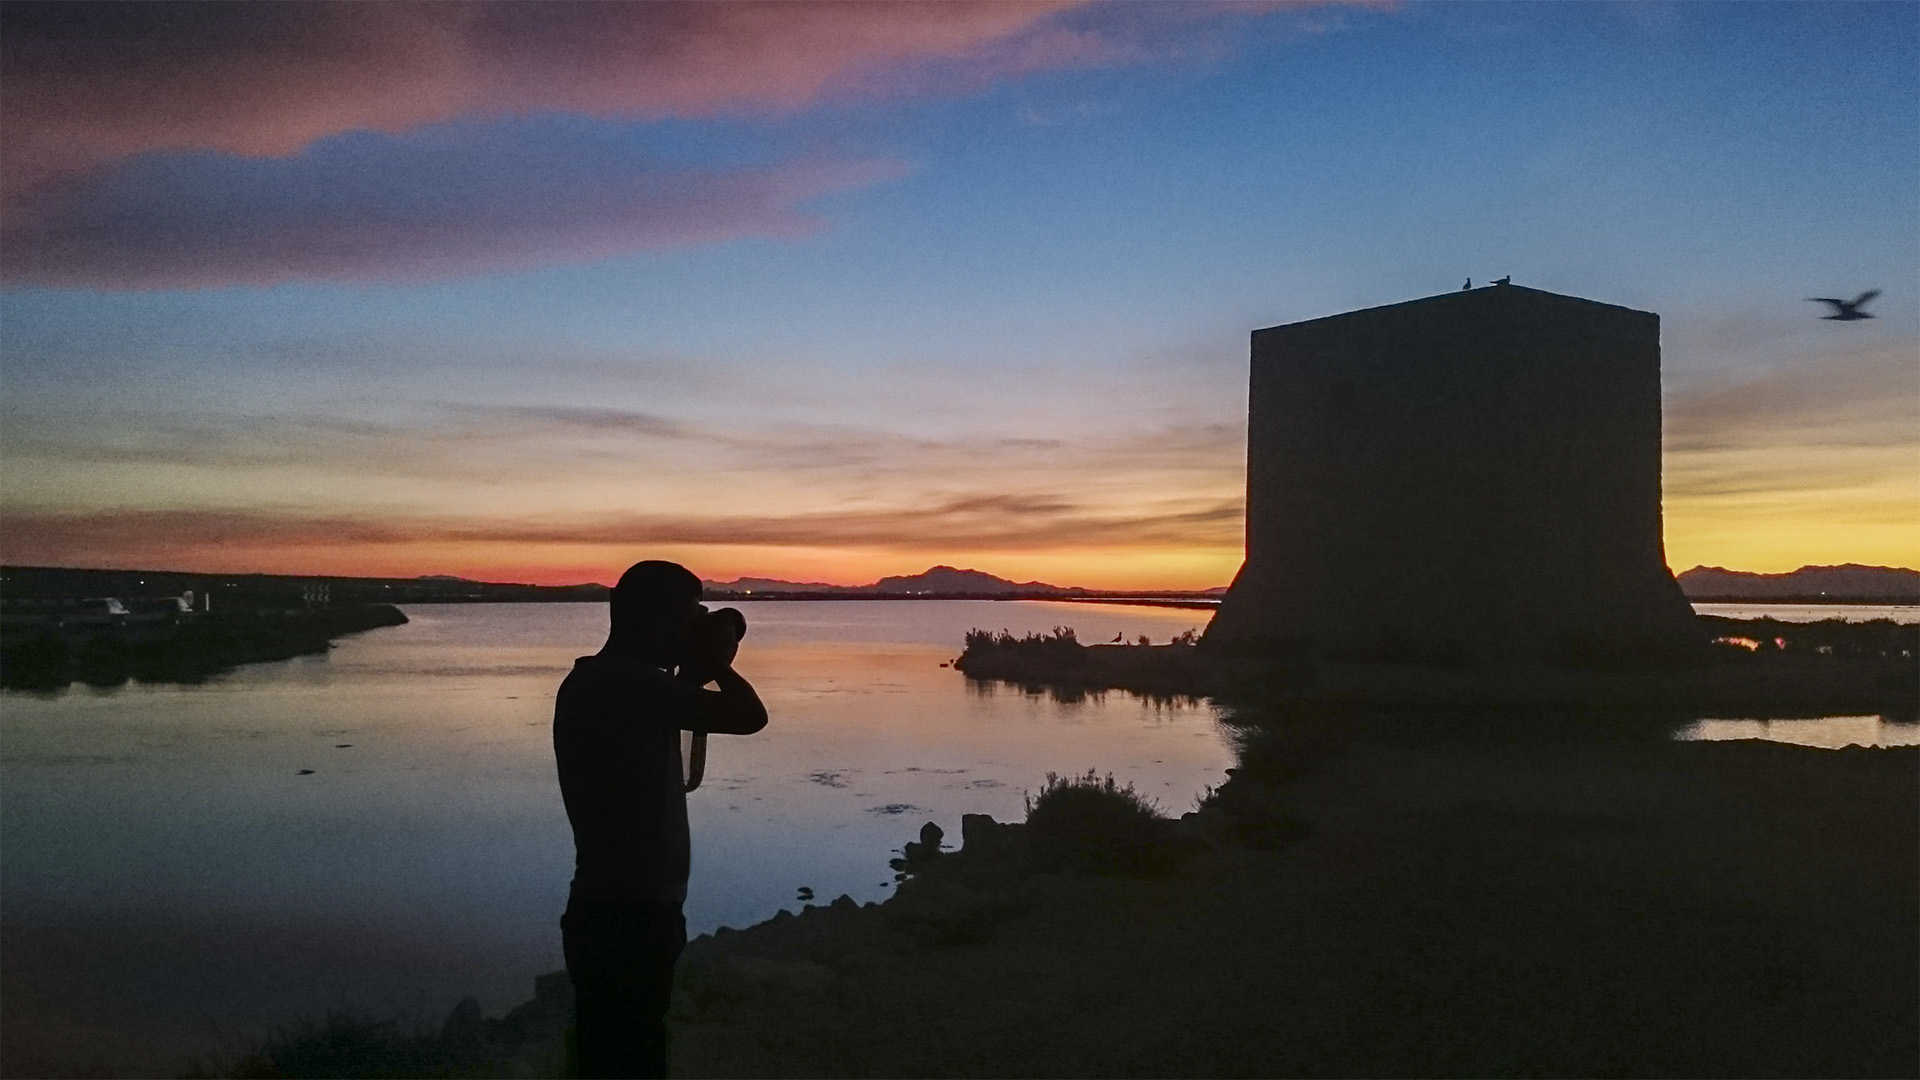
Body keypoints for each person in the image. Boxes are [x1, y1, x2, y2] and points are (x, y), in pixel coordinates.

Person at [554, 560, 768, 1079]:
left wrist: (694, 663)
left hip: (617, 906)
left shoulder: (610, 682)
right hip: (627, 914)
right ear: (654, 620)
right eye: (684, 618)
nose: (690, 630)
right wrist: (714, 662)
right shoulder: (630, 686)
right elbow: (749, 715)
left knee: (617, 1051)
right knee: (631, 1058)